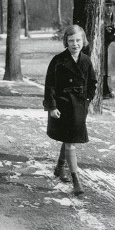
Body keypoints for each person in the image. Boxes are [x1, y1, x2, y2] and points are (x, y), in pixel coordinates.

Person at [43, 25, 97, 196]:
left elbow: (93, 83)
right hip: (63, 105)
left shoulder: (86, 60)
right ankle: (76, 179)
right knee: (70, 141)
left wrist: (87, 100)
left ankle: (59, 167)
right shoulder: (58, 60)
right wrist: (51, 107)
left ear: (83, 41)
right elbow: (50, 86)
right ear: (66, 41)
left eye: (78, 40)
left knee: (69, 138)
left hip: (80, 105)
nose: (75, 44)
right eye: (71, 40)